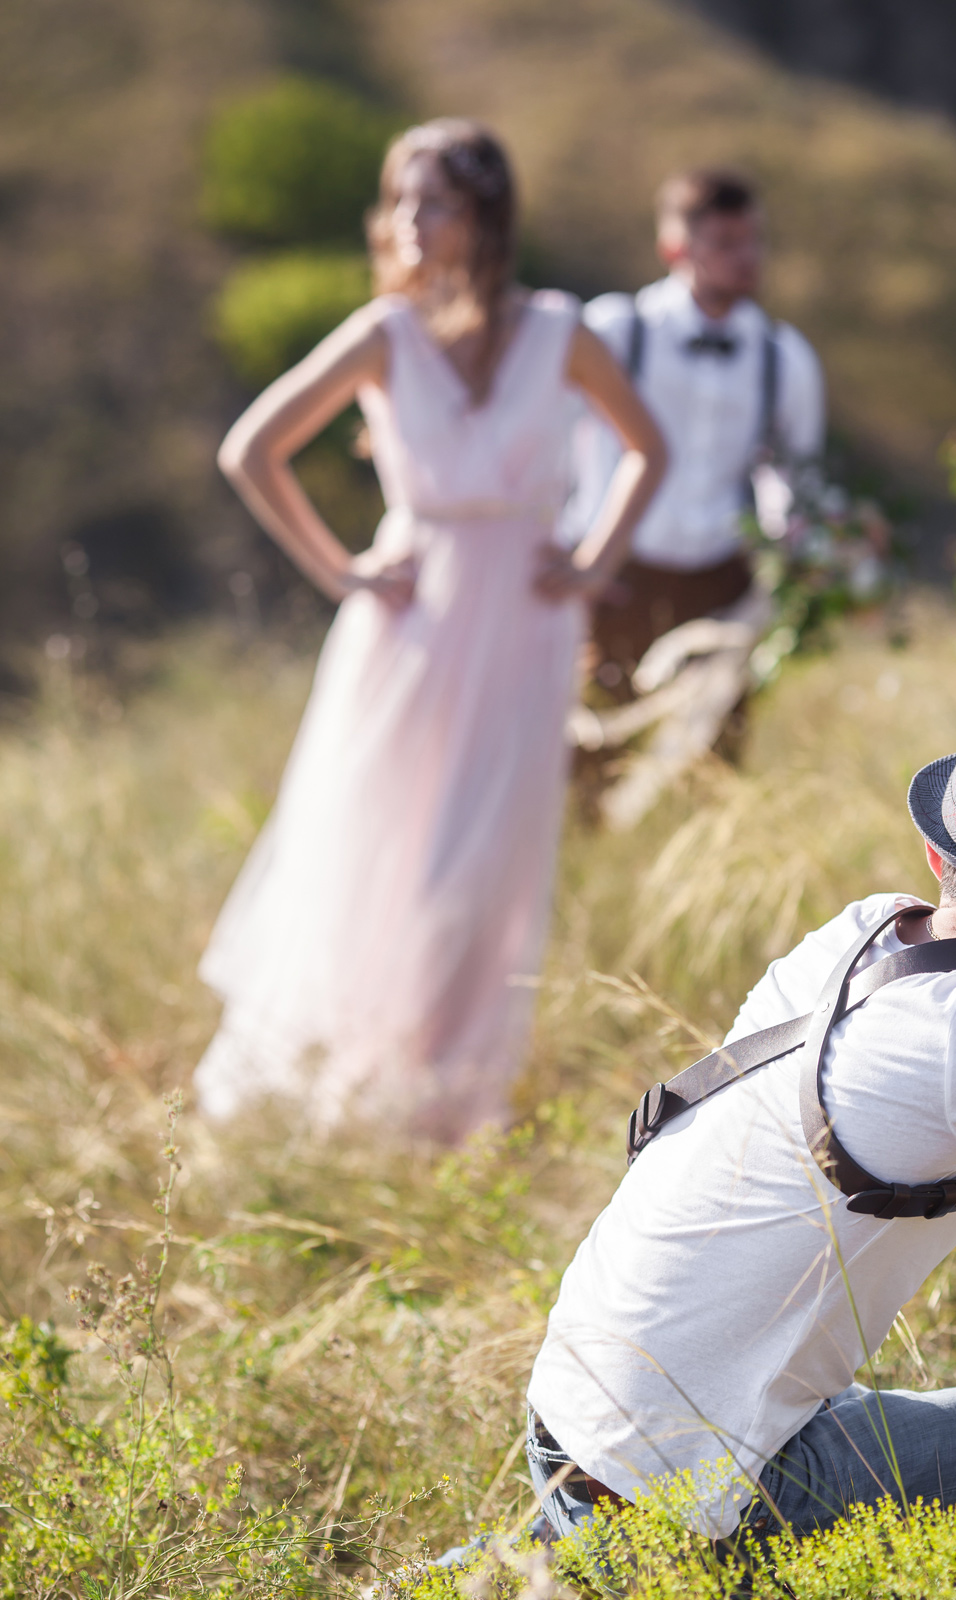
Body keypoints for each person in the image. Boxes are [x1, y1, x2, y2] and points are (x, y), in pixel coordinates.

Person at [527, 672, 956, 1547]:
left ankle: (528, 1563)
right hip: (678, 1503)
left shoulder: (864, 932)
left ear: (938, 857)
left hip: (577, 1438)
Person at [194, 119, 666, 1139]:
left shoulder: (559, 330)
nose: (411, 221)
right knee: (379, 841)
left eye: (436, 199)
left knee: (489, 857)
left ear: (487, 216)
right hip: (411, 627)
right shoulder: (383, 335)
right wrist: (343, 570)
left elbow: (647, 450)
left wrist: (590, 561)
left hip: (529, 626)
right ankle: (346, 1078)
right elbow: (252, 449)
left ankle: (447, 1098)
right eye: (401, 198)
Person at [560, 167, 824, 705]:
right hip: (617, 576)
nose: (747, 255)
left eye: (754, 240)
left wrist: (796, 556)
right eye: (727, 242)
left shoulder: (784, 356)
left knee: (711, 756)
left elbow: (796, 474)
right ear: (674, 248)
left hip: (723, 584)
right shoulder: (614, 330)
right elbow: (546, 438)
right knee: (595, 747)